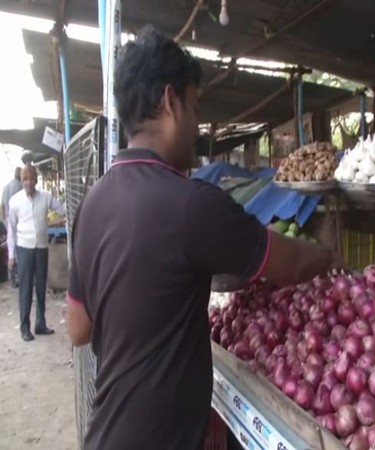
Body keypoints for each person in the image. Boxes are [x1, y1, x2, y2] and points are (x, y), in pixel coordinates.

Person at [66, 26, 340, 450]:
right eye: (194, 108)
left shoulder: (92, 205)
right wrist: (330, 256)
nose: (197, 125)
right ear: (170, 101)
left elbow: (79, 328)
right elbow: (292, 265)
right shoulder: (192, 204)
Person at [7, 164, 65, 340]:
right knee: (25, 288)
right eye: (25, 179)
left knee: (40, 287)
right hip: (24, 249)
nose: (28, 183)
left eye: (31, 179)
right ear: (21, 181)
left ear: (36, 180)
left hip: (41, 248)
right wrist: (11, 256)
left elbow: (62, 209)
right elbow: (11, 230)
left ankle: (41, 324)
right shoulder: (15, 202)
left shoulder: (45, 197)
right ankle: (25, 327)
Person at [2, 167, 22, 287]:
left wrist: (4, 220)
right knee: (19, 247)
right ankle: (20, 276)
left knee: (11, 247)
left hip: (7, 219)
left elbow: (2, 206)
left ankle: (13, 278)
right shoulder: (19, 186)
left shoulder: (5, 187)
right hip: (17, 219)